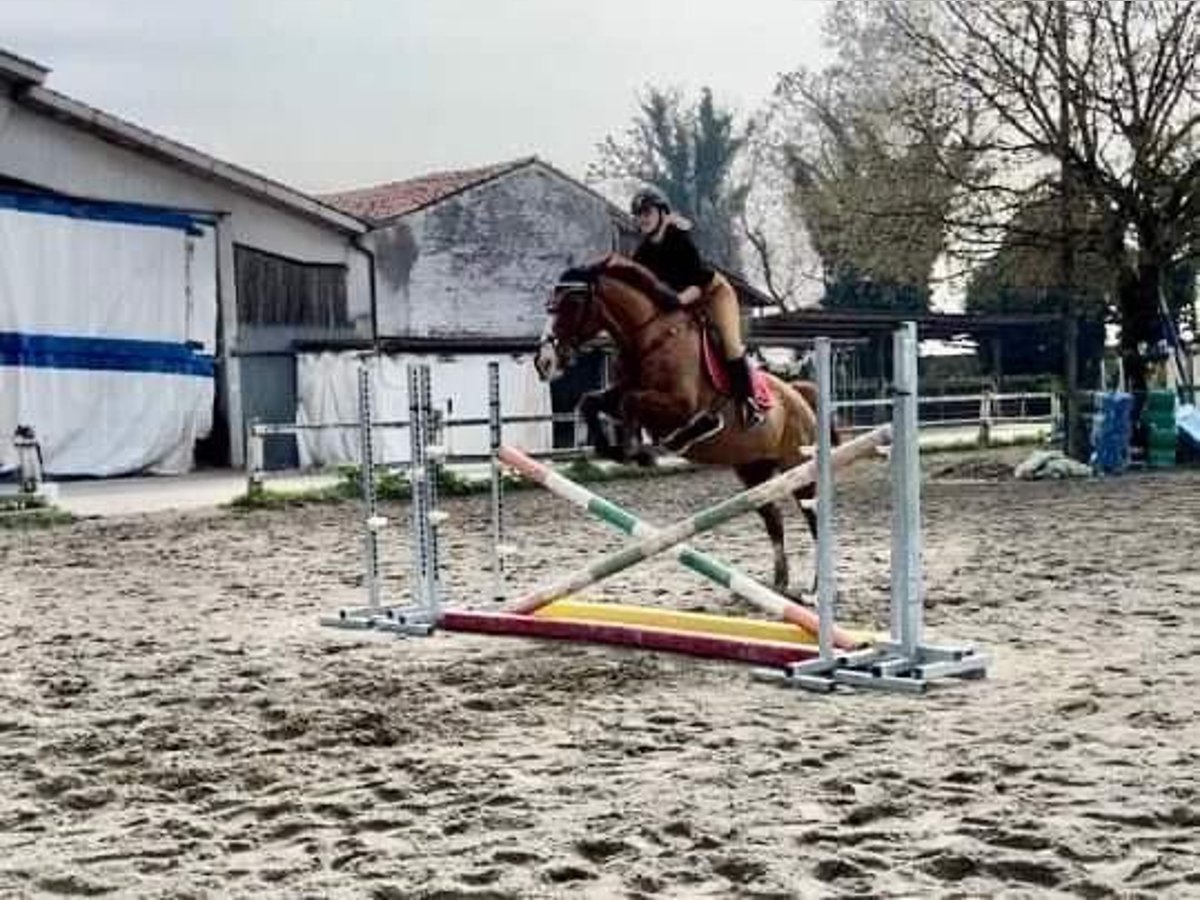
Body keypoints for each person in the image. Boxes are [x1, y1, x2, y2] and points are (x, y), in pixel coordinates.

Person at [629, 186, 765, 429]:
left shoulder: (681, 241)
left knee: (730, 345)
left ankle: (749, 402)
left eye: (647, 212)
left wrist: (678, 301)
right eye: (639, 215)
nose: (643, 219)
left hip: (712, 295)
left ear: (662, 213)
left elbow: (697, 284)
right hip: (678, 303)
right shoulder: (642, 253)